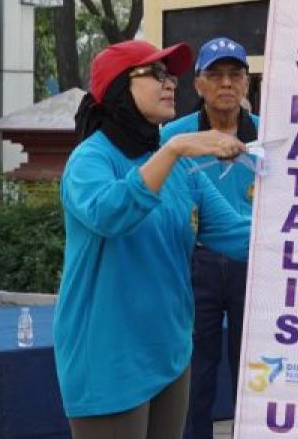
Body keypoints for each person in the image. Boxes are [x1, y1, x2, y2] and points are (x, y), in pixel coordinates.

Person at [54, 39, 252, 439]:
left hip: (170, 353)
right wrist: (176, 148)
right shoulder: (90, 159)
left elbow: (238, 234)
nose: (170, 84)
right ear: (118, 88)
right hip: (108, 355)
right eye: (156, 74)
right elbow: (111, 213)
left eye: (171, 75)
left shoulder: (175, 163)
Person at [160, 37, 258, 439]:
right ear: (197, 85)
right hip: (193, 264)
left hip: (253, 265)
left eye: (235, 74)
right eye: (215, 75)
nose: (226, 84)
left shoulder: (270, 134)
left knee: (253, 373)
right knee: (194, 373)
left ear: (247, 83)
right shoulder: (173, 137)